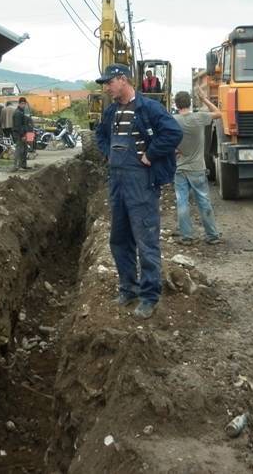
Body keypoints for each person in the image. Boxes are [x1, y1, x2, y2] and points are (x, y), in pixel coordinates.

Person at [95, 63, 183, 320]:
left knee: (146, 241)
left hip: (141, 183)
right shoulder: (112, 111)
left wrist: (151, 155)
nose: (107, 87)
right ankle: (128, 290)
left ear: (123, 80)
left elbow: (173, 132)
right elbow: (100, 135)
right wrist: (108, 153)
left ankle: (149, 296)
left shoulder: (149, 108)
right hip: (118, 182)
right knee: (119, 240)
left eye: (109, 82)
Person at [173, 88, 222, 244]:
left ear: (176, 104)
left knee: (182, 202)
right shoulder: (199, 118)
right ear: (190, 102)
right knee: (203, 201)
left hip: (180, 168)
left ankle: (187, 237)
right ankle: (212, 235)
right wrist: (204, 99)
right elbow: (218, 113)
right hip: (197, 168)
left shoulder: (173, 120)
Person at [11, 97, 33, 171]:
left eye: (24, 104)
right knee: (19, 150)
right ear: (19, 104)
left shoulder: (22, 112)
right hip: (19, 134)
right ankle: (16, 166)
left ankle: (23, 165)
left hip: (24, 133)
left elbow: (25, 124)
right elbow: (18, 126)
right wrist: (22, 135)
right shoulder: (18, 113)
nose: (23, 105)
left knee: (24, 150)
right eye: (22, 104)